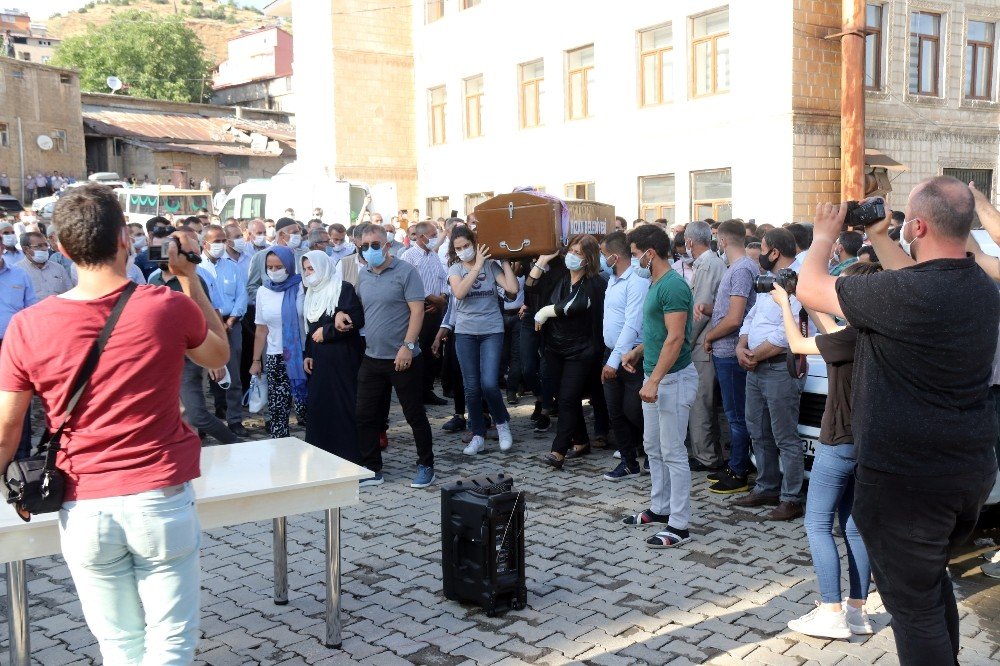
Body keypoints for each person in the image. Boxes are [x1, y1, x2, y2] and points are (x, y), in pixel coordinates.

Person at [0, 183, 229, 664]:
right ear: (125, 237)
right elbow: (218, 353)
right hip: (159, 495)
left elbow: (6, 431)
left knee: (119, 645)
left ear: (61, 249)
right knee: (170, 641)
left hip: (83, 503)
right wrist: (188, 278)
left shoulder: (27, 326)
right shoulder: (166, 306)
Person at [797, 177, 999, 665]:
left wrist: (824, 234)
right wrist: (884, 237)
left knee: (915, 611)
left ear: (922, 225)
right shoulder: (980, 285)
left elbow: (810, 287)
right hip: (965, 471)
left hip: (906, 481)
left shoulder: (905, 294)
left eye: (907, 220)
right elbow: (921, 277)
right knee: (929, 590)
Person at [777, 262, 878, 640]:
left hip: (838, 442)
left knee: (817, 524)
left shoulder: (852, 338)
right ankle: (857, 611)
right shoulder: (876, 334)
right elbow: (829, 332)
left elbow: (798, 344)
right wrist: (804, 298)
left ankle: (831, 610)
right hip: (868, 445)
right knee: (854, 527)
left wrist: (785, 305)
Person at [618, 224, 697, 548]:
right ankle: (660, 508)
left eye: (635, 254)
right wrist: (638, 351)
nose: (634, 260)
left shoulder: (673, 286)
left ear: (650, 253)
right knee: (654, 448)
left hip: (672, 381)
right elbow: (660, 333)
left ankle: (679, 524)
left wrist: (654, 380)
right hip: (657, 378)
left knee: (673, 452)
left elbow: (676, 338)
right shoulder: (655, 281)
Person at [732, 228, 806, 520]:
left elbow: (787, 331)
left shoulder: (796, 281)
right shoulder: (768, 281)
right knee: (758, 431)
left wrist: (753, 354)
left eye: (762, 248)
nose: (759, 254)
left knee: (785, 436)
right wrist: (741, 345)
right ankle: (767, 486)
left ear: (774, 252)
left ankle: (791, 498)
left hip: (779, 368)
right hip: (756, 367)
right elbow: (752, 315)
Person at [355, 224, 436, 488]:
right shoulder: (363, 274)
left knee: (414, 415)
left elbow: (417, 311)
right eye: (364, 246)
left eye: (375, 245)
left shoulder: (406, 271)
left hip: (403, 357)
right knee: (365, 415)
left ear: (388, 245)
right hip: (372, 357)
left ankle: (426, 465)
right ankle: (371, 467)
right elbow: (360, 310)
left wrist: (408, 346)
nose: (370, 250)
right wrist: (342, 315)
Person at [531, 235, 607, 469]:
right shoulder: (559, 277)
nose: (572, 256)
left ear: (589, 259)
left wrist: (544, 312)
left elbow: (574, 306)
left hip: (581, 351)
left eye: (579, 253)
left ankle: (558, 450)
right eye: (571, 251)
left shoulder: (595, 283)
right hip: (554, 347)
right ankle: (581, 441)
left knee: (567, 398)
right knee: (564, 397)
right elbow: (530, 288)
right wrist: (542, 261)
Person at [446, 225, 518, 455]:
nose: (463, 251)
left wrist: (504, 260)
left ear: (475, 244)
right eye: (459, 248)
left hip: (491, 330)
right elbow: (459, 293)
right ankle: (477, 434)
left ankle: (502, 423)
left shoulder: (490, 264)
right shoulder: (455, 269)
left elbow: (512, 288)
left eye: (467, 246)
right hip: (465, 331)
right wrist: (475, 267)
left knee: (489, 383)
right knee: (471, 387)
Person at [702, 220, 759, 494]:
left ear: (723, 241)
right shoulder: (737, 268)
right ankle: (738, 463)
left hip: (732, 351)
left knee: (736, 416)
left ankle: (739, 471)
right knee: (735, 413)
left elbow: (735, 318)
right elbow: (731, 308)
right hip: (727, 351)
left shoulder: (742, 268)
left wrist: (710, 335)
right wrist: (711, 309)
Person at [301, 250, 364, 462]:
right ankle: (321, 457)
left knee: (343, 406)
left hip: (342, 358)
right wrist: (308, 353)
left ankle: (349, 458)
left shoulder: (342, 288)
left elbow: (355, 320)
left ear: (324, 267)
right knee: (320, 407)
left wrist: (327, 333)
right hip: (319, 360)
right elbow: (311, 327)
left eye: (312, 268)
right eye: (306, 269)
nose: (309, 273)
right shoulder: (311, 291)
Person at [599, 231, 649, 480]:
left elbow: (632, 324)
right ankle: (629, 462)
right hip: (612, 352)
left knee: (634, 410)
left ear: (615, 256)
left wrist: (613, 361)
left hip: (631, 356)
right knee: (615, 411)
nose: (601, 260)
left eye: (603, 255)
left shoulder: (637, 280)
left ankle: (652, 453)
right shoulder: (613, 278)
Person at [251, 246, 308, 438]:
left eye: (279, 266)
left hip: (303, 356)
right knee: (278, 409)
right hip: (275, 356)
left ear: (289, 266)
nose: (274, 271)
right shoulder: (262, 291)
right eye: (270, 267)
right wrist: (256, 360)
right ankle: (280, 449)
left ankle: (319, 450)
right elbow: (261, 329)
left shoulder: (303, 286)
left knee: (306, 407)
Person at [685, 221, 727, 472]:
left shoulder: (709, 264)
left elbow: (699, 310)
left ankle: (707, 457)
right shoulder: (706, 263)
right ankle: (709, 452)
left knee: (701, 403)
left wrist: (684, 342)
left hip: (703, 344)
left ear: (690, 241)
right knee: (703, 403)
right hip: (703, 343)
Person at [201, 224, 249, 437]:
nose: (221, 245)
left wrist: (230, 320)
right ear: (205, 244)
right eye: (216, 241)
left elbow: (242, 295)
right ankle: (204, 419)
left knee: (234, 373)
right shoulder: (197, 268)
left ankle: (235, 418)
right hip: (204, 326)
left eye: (223, 240)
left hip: (231, 324)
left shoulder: (233, 267)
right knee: (204, 374)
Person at [402, 221, 449, 405]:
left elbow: (443, 279)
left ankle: (427, 390)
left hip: (435, 310)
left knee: (432, 351)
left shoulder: (434, 256)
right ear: (421, 237)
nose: (435, 238)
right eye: (432, 235)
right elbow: (407, 284)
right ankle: (415, 392)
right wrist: (431, 298)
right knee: (417, 351)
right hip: (418, 310)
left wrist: (442, 298)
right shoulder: (409, 256)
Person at [17, 231, 73, 299]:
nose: (44, 249)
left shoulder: (58, 268)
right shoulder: (17, 272)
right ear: (26, 249)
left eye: (46, 245)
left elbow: (70, 292)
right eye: (39, 246)